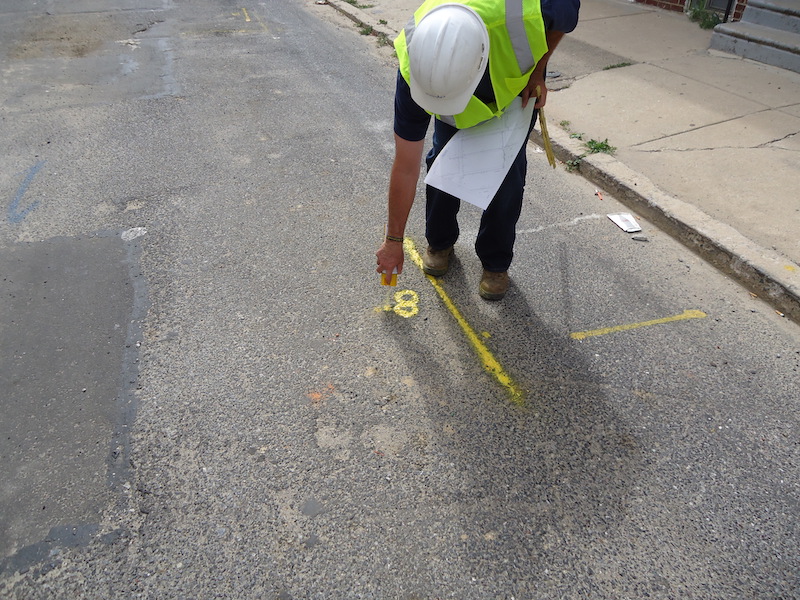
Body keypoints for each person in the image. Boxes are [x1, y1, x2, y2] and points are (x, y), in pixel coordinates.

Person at [375, 0, 580, 300]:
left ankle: (495, 262)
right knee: (443, 163)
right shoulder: (414, 65)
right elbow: (406, 166)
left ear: (479, 65)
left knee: (505, 178)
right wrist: (393, 240)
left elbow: (566, 14)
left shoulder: (533, 10)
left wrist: (538, 71)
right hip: (457, 78)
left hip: (511, 85)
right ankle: (439, 241)